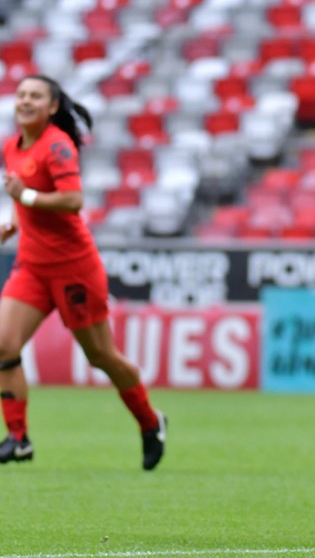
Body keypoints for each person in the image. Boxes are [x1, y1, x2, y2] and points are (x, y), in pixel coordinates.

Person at [0, 75, 167, 470]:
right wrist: (13, 221)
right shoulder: (12, 146)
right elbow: (30, 201)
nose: (25, 101)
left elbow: (72, 200)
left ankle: (150, 421)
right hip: (32, 266)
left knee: (101, 356)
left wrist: (24, 196)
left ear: (52, 106)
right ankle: (18, 438)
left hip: (73, 269)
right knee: (3, 345)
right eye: (21, 94)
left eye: (35, 96)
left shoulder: (57, 144)